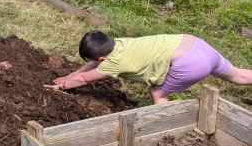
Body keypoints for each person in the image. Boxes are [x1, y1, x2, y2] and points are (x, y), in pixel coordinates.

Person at [45, 30, 252, 104]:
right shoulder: (119, 43)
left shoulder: (113, 63)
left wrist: (59, 87)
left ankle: (165, 129)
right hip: (197, 44)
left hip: (190, 63)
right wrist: (67, 77)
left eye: (96, 61)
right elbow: (91, 65)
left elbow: (84, 78)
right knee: (239, 76)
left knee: (157, 93)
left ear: (102, 58)